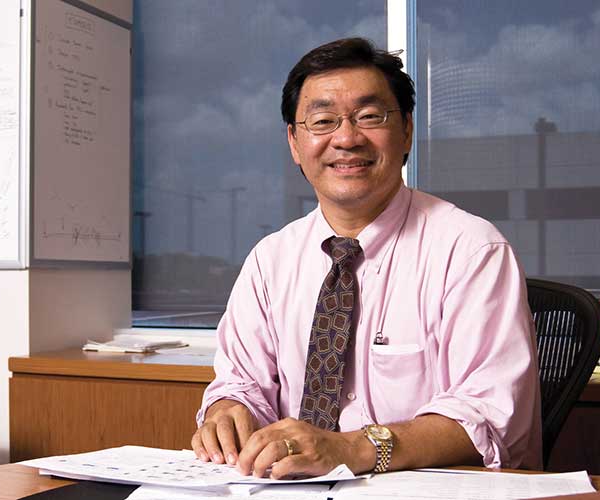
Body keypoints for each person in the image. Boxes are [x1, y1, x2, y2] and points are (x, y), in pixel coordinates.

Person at [191, 37, 541, 478]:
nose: (346, 138)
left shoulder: (470, 251)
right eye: (322, 121)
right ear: (295, 143)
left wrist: (350, 449)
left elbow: (489, 415)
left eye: (369, 117)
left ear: (407, 129)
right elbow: (242, 382)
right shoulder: (270, 260)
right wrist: (228, 409)